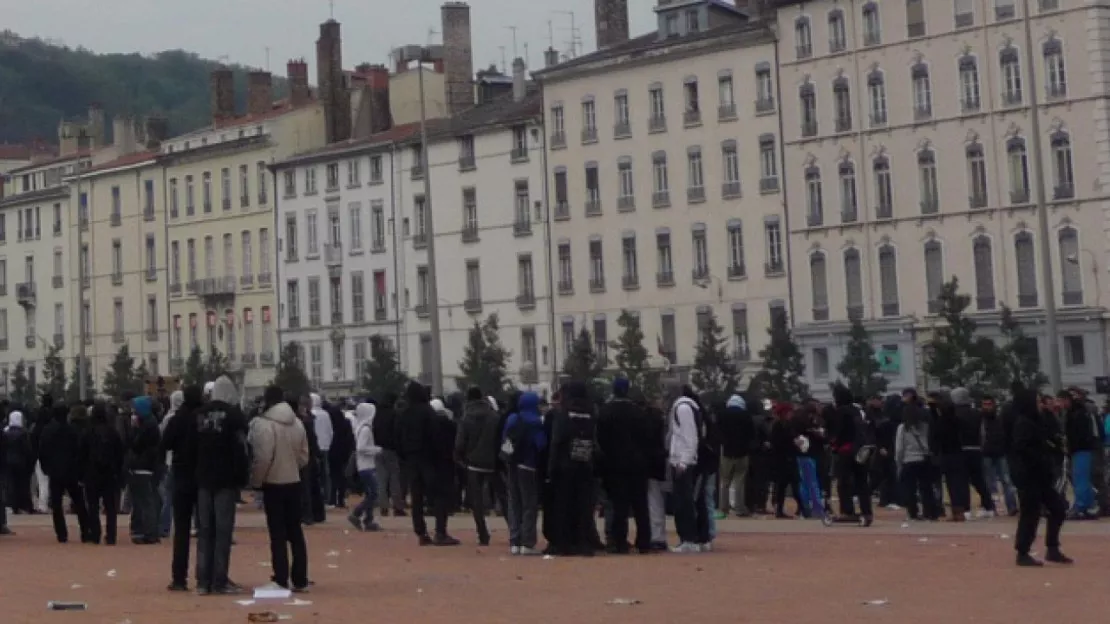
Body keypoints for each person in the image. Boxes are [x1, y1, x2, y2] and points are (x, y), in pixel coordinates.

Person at [250, 386, 311, 592]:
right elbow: (304, 457)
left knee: (277, 534)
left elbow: (263, 457)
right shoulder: (298, 423)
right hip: (294, 480)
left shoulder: (265, 424)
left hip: (273, 483)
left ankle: (281, 577)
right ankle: (300, 578)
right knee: (295, 531)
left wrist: (257, 481)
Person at [194, 376, 249, 595]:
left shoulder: (199, 415)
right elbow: (241, 449)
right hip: (225, 479)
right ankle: (219, 579)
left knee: (205, 531)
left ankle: (202, 581)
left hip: (203, 478)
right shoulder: (235, 416)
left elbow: (192, 448)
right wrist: (241, 478)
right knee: (223, 531)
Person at [1010, 384, 1071, 566]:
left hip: (1042, 477)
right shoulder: (1023, 424)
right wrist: (1040, 459)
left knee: (1058, 508)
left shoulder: (1038, 420)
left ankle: (1052, 548)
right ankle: (1022, 551)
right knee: (1030, 514)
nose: (1040, 405)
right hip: (1030, 477)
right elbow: (1024, 450)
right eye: (1037, 401)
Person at [396, 381, 458, 546]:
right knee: (438, 495)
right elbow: (435, 436)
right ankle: (440, 531)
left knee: (416, 497)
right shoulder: (427, 412)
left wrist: (405, 456)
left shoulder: (405, 413)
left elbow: (399, 438)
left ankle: (421, 532)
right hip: (429, 459)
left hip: (411, 459)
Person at [597, 378, 651, 554]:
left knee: (619, 505)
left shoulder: (606, 411)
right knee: (640, 505)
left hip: (615, 464)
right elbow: (645, 438)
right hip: (638, 463)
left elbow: (601, 439)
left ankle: (619, 541)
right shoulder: (639, 412)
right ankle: (644, 541)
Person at [547, 381, 599, 556]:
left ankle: (564, 543)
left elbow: (556, 442)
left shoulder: (563, 415)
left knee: (563, 505)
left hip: (565, 466)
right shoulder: (591, 413)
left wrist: (551, 468)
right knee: (584, 506)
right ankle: (583, 542)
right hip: (585, 465)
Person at [161, 386, 204, 591]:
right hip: (203, 476)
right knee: (205, 529)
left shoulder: (178, 419)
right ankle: (205, 576)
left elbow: (166, 443)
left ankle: (179, 577)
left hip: (181, 475)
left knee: (182, 530)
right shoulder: (204, 417)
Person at [455, 386, 502, 546]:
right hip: (493, 462)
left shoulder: (466, 418)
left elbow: (460, 442)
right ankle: (515, 531)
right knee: (503, 496)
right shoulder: (494, 416)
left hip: (473, 463)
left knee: (477, 501)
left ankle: (483, 533)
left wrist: (460, 458)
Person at [39, 404, 92, 543]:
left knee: (56, 504)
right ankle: (85, 531)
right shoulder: (73, 431)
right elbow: (80, 451)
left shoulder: (47, 430)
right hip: (72, 471)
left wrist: (46, 468)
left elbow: (42, 450)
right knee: (79, 502)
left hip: (55, 472)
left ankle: (61, 534)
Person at [502, 390, 546, 555]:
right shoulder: (535, 421)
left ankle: (514, 541)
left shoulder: (512, 419)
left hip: (512, 464)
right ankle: (527, 543)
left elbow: (504, 440)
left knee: (514, 502)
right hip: (528, 465)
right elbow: (541, 445)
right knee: (529, 504)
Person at [666, 381, 703, 553]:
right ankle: (688, 538)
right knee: (683, 502)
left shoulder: (682, 409)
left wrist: (683, 462)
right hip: (683, 459)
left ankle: (689, 538)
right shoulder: (687, 407)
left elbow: (691, 437)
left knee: (684, 503)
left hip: (682, 461)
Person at [830, 383, 874, 526]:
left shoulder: (840, 411)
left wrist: (834, 444)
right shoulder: (857, 410)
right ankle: (866, 511)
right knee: (862, 482)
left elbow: (839, 432)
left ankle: (847, 510)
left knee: (844, 482)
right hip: (861, 450)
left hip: (846, 450)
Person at [83, 402, 126, 545]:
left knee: (93, 506)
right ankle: (111, 535)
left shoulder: (88, 432)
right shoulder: (113, 432)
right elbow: (120, 454)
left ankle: (95, 534)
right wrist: (119, 473)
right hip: (110, 473)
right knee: (110, 507)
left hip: (92, 473)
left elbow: (81, 454)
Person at [952, 387, 996, 518]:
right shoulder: (977, 414)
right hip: (976, 450)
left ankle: (966, 509)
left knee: (962, 481)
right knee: (979, 480)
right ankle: (989, 506)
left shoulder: (954, 413)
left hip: (960, 450)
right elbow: (982, 433)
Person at [895, 398, 939, 521]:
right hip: (923, 459)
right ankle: (930, 512)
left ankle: (913, 512)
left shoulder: (902, 428)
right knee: (926, 488)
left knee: (910, 489)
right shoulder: (925, 427)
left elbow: (899, 449)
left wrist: (899, 463)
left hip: (909, 460)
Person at [127, 396, 163, 544]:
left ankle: (148, 532)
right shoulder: (151, 423)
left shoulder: (146, 426)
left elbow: (136, 445)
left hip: (143, 465)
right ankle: (145, 530)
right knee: (148, 500)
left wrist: (134, 430)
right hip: (149, 465)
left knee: (146, 501)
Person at [980, 395, 1018, 517]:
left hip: (1001, 453)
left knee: (1007, 481)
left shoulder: (1000, 419)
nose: (987, 407)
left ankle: (1012, 507)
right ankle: (994, 507)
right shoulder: (980, 420)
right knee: (990, 483)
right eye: (984, 404)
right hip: (986, 454)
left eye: (989, 404)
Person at [717, 394, 753, 517]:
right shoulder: (746, 415)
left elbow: (718, 431)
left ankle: (723, 507)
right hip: (742, 452)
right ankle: (739, 508)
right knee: (739, 480)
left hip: (726, 451)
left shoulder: (721, 414)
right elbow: (751, 433)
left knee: (724, 480)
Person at [371, 392, 406, 517]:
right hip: (391, 450)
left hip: (378, 449)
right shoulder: (394, 414)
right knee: (394, 479)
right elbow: (397, 433)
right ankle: (397, 507)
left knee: (381, 480)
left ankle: (383, 507)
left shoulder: (377, 414)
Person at [348, 401, 381, 531]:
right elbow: (361, 448)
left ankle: (368, 520)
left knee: (370, 493)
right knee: (373, 494)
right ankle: (357, 513)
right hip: (367, 465)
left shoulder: (360, 427)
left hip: (363, 465)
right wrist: (376, 450)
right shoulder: (366, 429)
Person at [158, 390, 185, 538]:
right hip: (185, 461)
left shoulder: (168, 418)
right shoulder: (189, 416)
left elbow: (163, 438)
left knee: (168, 496)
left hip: (170, 461)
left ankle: (164, 527)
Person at [3, 410, 35, 514]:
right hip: (21, 462)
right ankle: (24, 505)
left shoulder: (6, 432)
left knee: (10, 484)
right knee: (22, 485)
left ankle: (13, 505)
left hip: (8, 461)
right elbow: (27, 449)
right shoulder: (23, 433)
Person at [327, 403, 355, 509]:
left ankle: (332, 498)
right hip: (344, 453)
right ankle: (341, 499)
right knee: (342, 477)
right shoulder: (346, 423)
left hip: (332, 452)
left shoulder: (331, 423)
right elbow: (350, 438)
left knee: (333, 476)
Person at [310, 394, 333, 509]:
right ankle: (327, 499)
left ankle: (316, 499)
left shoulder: (310, 414)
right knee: (326, 474)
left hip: (314, 448)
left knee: (315, 475)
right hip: (325, 447)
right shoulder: (325, 414)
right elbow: (330, 431)